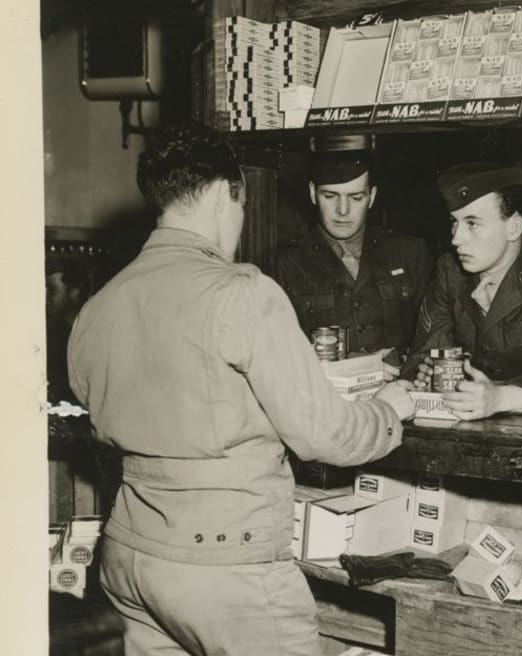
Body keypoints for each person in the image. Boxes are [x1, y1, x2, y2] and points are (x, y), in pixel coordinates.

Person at [67, 126, 415, 655]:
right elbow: (328, 437)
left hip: (130, 559)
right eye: (241, 205)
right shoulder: (242, 294)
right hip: (228, 568)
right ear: (222, 195)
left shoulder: (98, 306)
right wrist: (389, 411)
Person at [403, 161, 522, 420]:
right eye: (454, 222)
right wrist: (423, 377)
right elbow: (423, 354)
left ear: (513, 227)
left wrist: (499, 398)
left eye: (472, 223)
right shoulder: (449, 271)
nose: (456, 238)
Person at [272, 144, 433, 361]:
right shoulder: (285, 264)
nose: (343, 210)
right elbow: (276, 352)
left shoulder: (409, 253)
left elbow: (435, 337)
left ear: (372, 197)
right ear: (313, 193)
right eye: (330, 196)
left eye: (356, 197)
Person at [45, 260, 91, 401]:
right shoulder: (50, 336)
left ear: (74, 293)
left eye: (51, 290)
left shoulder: (92, 334)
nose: (45, 298)